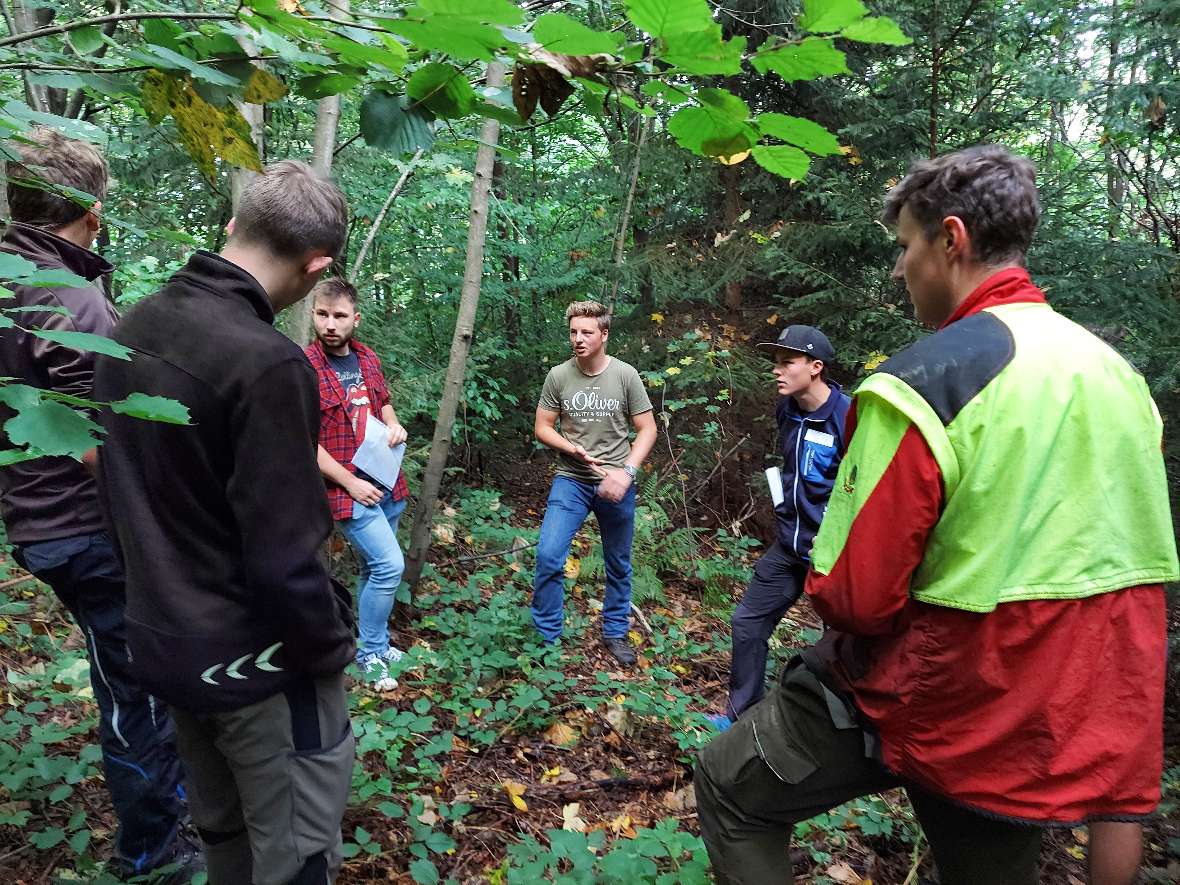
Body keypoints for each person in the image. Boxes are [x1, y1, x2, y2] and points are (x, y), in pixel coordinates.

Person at [693, 145, 1176, 885]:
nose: (898, 269)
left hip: (947, 688)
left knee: (730, 787)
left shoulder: (924, 381)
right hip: (1065, 697)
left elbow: (857, 595)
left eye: (906, 246)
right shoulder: (1117, 377)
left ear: (950, 240)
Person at [94, 161, 357, 885]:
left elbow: (112, 495)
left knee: (225, 841)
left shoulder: (134, 327)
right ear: (317, 266)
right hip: (257, 667)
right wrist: (330, 645)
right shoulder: (267, 364)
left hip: (167, 651)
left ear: (235, 225)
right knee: (295, 856)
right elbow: (285, 557)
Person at [0, 127, 199, 880]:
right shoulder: (66, 293)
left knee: (129, 674)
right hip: (84, 523)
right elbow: (100, 439)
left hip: (41, 518)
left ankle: (165, 824)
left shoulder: (11, 276)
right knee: (140, 684)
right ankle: (153, 849)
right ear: (89, 208)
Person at [709, 326, 849, 731]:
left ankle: (845, 732)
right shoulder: (787, 410)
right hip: (789, 548)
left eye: (788, 361)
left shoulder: (847, 417)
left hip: (834, 557)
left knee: (840, 646)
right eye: (776, 361)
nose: (777, 370)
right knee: (748, 622)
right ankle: (741, 714)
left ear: (816, 367)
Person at [532, 300, 657, 665]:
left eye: (586, 332)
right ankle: (547, 639)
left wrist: (626, 472)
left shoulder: (625, 375)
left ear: (604, 334)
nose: (578, 338)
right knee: (549, 555)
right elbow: (542, 426)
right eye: (573, 331)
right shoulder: (559, 376)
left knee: (618, 562)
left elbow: (647, 428)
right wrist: (571, 448)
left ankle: (616, 632)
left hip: (616, 482)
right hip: (571, 479)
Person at [306, 276, 410, 692]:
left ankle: (377, 643)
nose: (330, 324)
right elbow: (303, 441)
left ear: (355, 319)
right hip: (348, 490)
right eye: (323, 315)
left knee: (372, 567)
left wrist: (394, 423)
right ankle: (367, 655)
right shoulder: (303, 367)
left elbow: (382, 401)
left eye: (339, 316)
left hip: (387, 479)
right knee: (389, 566)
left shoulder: (367, 359)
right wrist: (350, 483)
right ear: (314, 314)